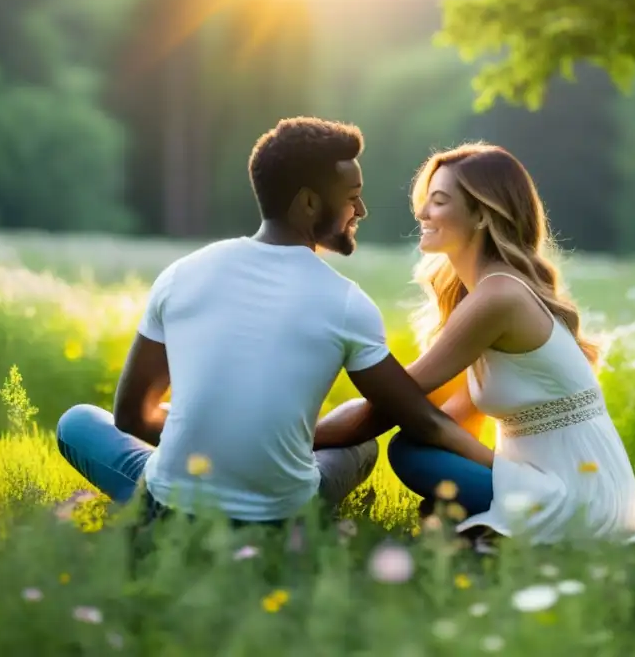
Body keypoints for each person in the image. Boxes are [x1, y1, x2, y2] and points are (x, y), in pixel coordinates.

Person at [54, 117, 494, 529]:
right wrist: (509, 475)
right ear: (308, 203)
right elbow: (421, 421)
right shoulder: (346, 303)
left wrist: (214, 441)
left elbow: (130, 416)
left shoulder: (181, 273)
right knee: (361, 447)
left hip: (168, 506)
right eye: (351, 196)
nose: (360, 209)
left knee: (78, 422)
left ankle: (157, 510)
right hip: (282, 519)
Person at [315, 142, 635, 545]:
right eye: (425, 199)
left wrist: (294, 439)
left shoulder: (499, 296)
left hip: (573, 489)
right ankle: (484, 525)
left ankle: (502, 528)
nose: (423, 213)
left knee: (409, 449)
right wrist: (463, 458)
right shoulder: (490, 293)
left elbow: (395, 400)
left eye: (440, 201)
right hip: (567, 480)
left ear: (483, 215)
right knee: (422, 441)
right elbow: (454, 415)